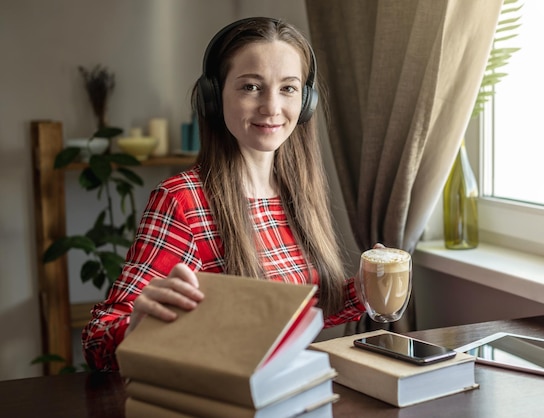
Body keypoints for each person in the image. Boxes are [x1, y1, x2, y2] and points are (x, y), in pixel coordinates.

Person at [82, 17, 366, 371]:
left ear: (306, 101)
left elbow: (301, 314)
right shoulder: (182, 200)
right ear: (213, 97)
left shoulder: (298, 193)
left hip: (290, 392)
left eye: (288, 88)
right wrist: (139, 325)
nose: (272, 107)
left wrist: (365, 290)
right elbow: (99, 340)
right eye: (250, 87)